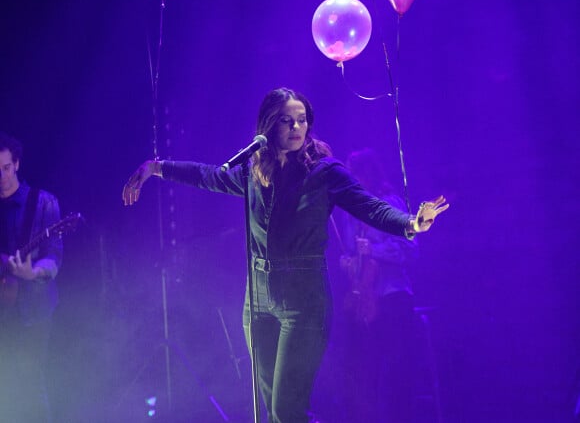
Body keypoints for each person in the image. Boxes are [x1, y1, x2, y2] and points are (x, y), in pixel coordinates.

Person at [122, 87, 449, 423]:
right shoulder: (253, 172)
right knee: (275, 413)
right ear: (268, 127)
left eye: (302, 121)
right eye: (287, 121)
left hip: (304, 301)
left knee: (286, 411)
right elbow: (210, 175)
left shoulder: (325, 172)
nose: (296, 128)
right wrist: (157, 167)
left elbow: (369, 206)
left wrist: (412, 223)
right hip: (258, 301)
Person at [338, 147, 421, 422]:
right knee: (364, 374)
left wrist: (373, 250)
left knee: (397, 373)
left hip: (393, 298)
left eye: (355, 175)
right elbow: (352, 253)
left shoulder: (390, 203)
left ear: (367, 175)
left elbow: (410, 250)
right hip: (365, 303)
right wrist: (348, 262)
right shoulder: (352, 213)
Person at [0, 132, 63, 422]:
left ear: (16, 164)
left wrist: (32, 272)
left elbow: (54, 256)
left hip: (32, 312)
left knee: (30, 384)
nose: (1, 176)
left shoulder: (43, 203)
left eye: (6, 168)